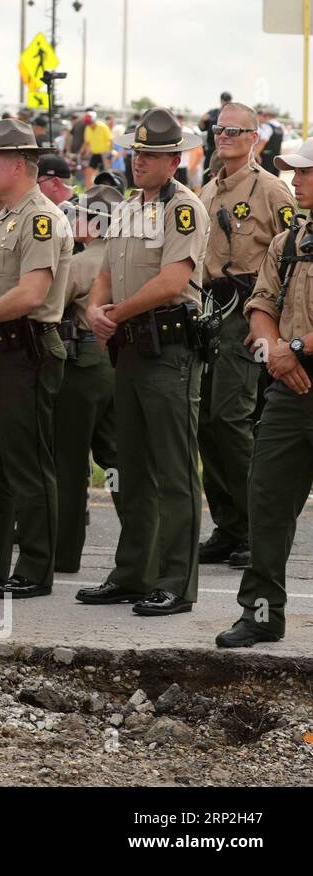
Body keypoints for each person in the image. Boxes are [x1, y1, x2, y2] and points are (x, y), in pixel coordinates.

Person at [77, 107, 208, 616]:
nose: (141, 162)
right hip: (128, 346)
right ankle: (133, 572)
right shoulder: (131, 206)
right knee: (131, 467)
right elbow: (108, 268)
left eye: (152, 155)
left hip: (168, 347)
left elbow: (174, 281)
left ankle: (176, 581)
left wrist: (114, 313)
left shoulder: (184, 208)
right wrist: (95, 307)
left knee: (174, 469)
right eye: (137, 153)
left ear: (174, 159)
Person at [0, 119, 73, 597]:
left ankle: (34, 569)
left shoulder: (40, 218)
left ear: (17, 164)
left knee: (27, 466)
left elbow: (32, 293)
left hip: (24, 349)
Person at [216, 139, 313, 647]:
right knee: (267, 501)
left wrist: (290, 346)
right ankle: (260, 614)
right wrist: (275, 346)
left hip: (295, 363)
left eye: (305, 173)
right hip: (289, 386)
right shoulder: (289, 241)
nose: (295, 182)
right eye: (294, 173)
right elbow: (261, 301)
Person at [197, 102, 297, 570]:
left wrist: (278, 328)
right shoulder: (205, 194)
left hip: (249, 313)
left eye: (235, 130)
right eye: (220, 129)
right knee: (206, 424)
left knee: (231, 418)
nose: (225, 136)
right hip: (211, 312)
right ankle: (229, 524)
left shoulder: (271, 190)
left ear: (254, 137)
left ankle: (258, 528)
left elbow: (294, 257)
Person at [54, 186, 126, 573]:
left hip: (81, 370)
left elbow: (49, 306)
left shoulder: (83, 263)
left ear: (95, 223)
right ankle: (137, 549)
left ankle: (64, 554)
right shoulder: (127, 258)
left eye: (80, 214)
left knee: (67, 464)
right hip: (116, 367)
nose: (73, 219)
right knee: (116, 460)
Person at [80, 111, 113, 190]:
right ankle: (88, 191)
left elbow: (111, 140)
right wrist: (81, 152)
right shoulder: (88, 128)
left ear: (94, 120)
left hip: (104, 153)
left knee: (104, 173)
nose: (89, 124)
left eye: (90, 122)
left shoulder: (102, 127)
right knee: (89, 171)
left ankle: (106, 190)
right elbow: (87, 142)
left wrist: (109, 153)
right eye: (88, 123)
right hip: (95, 153)